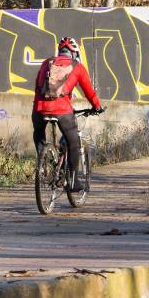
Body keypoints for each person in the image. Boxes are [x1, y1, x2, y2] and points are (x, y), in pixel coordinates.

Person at [33, 37, 103, 192]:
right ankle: (72, 181)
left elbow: (38, 85)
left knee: (38, 134)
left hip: (39, 108)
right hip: (62, 110)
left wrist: (38, 107)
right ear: (75, 53)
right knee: (73, 142)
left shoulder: (46, 63)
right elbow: (89, 92)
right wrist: (97, 106)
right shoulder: (77, 67)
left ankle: (43, 163)